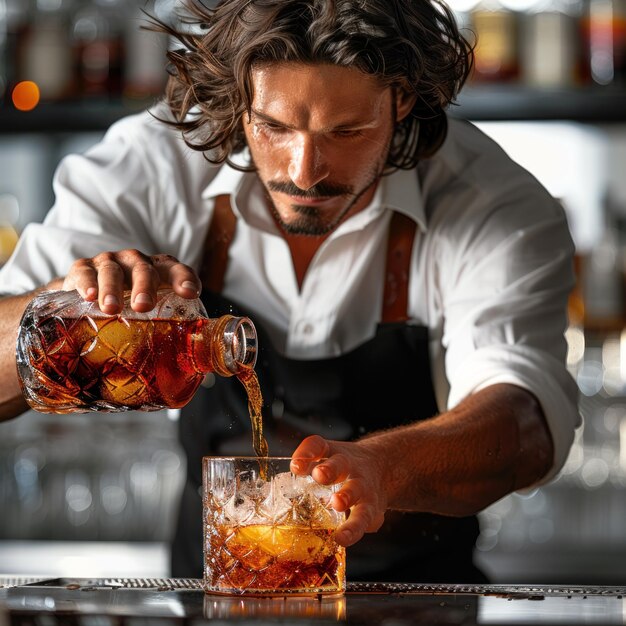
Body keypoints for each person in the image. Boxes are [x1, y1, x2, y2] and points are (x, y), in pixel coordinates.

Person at [0, 0, 580, 583]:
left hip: (421, 602)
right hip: (209, 597)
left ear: (401, 99)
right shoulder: (155, 165)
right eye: (274, 127)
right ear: (237, 97)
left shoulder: (489, 200)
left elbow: (525, 421)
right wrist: (62, 311)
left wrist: (381, 470)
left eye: (346, 131)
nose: (304, 172)